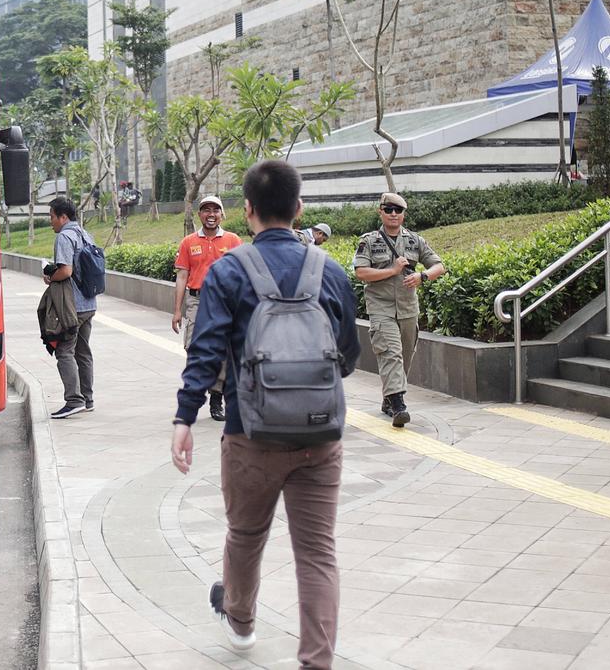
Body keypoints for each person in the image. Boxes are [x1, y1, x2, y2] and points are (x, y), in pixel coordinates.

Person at [171, 160, 360, 669]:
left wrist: (185, 418)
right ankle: (316, 661)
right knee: (318, 553)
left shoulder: (230, 270)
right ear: (299, 209)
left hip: (249, 435)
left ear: (248, 210)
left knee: (246, 535)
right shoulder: (330, 269)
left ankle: (241, 624)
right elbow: (348, 355)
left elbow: (205, 351)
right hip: (320, 440)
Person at [354, 192, 445, 427]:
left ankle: (388, 398)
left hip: (408, 308)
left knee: (405, 356)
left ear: (404, 214)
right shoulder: (369, 241)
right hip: (380, 307)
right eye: (389, 210)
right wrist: (392, 271)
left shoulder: (415, 240)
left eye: (398, 210)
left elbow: (439, 266)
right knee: (391, 353)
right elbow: (361, 272)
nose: (393, 214)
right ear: (380, 212)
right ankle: (398, 406)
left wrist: (422, 276)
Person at [172, 194, 243, 422]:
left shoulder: (233, 240)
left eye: (215, 210)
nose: (211, 214)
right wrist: (177, 310)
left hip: (224, 302)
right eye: (206, 210)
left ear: (222, 214)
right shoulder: (188, 242)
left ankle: (216, 396)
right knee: (193, 346)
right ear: (200, 214)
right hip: (196, 301)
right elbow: (182, 276)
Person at [45, 196, 98, 419]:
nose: (51, 222)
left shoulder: (65, 237)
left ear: (63, 216)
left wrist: (50, 277)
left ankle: (73, 400)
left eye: (52, 217)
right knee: (83, 351)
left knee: (64, 351)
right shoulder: (86, 234)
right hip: (89, 303)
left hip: (72, 306)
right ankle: (87, 398)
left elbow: (65, 271)